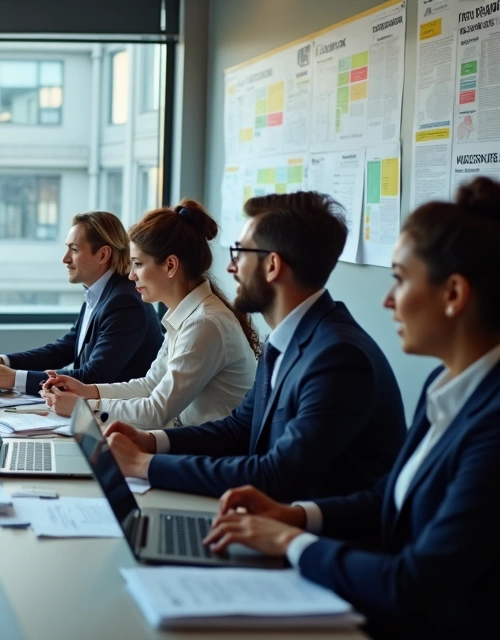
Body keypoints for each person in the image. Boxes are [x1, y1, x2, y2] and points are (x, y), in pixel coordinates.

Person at [202, 179, 500, 639]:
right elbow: (389, 496)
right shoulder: (445, 386)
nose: (386, 299)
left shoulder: (492, 422)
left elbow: (414, 582)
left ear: (454, 294)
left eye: (399, 279)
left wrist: (291, 542)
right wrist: (297, 516)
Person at [98, 192, 405, 502]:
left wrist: (144, 464)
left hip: (316, 535)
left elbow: (276, 474)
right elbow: (238, 429)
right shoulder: (285, 339)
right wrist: (151, 443)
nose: (232, 268)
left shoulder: (337, 357)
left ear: (272, 265)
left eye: (240, 253)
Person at [41, 200, 259, 428]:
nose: (131, 275)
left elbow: (155, 411)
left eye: (137, 264)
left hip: (213, 455)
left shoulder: (205, 323)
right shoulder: (188, 315)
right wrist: (87, 391)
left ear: (170, 265)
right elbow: (150, 384)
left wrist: (82, 406)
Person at [0, 211, 163, 393]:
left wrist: (14, 378)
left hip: (120, 421)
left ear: (103, 254)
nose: (65, 259)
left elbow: (93, 377)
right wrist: (1, 362)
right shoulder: (101, 293)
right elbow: (64, 349)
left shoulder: (124, 303)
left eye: (74, 250)